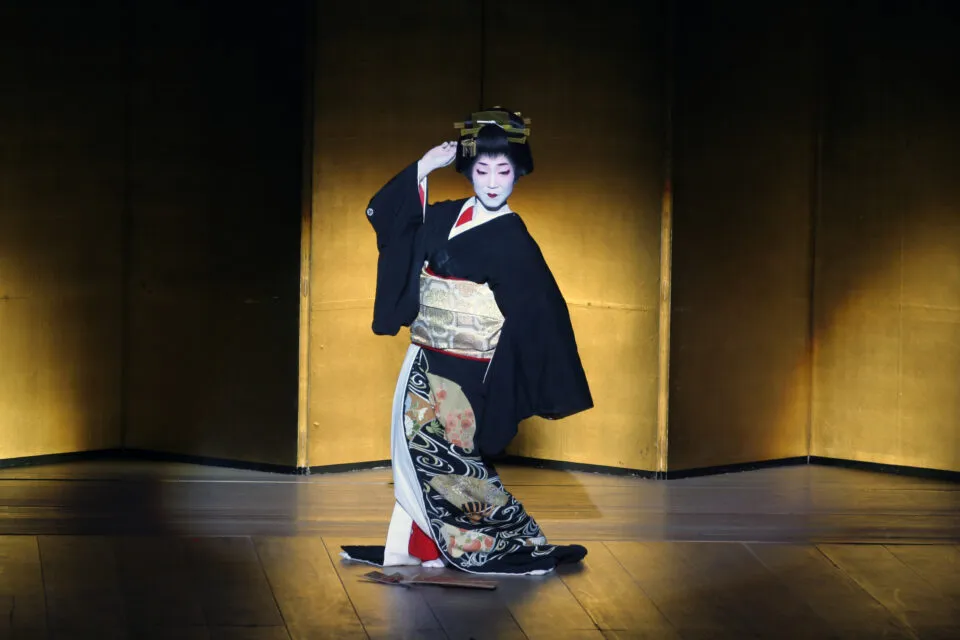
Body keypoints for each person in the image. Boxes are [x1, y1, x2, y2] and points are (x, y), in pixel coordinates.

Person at [341, 108, 593, 575]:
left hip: (470, 369)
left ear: (519, 173)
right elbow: (396, 225)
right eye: (482, 170)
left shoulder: (515, 240)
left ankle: (494, 538)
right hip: (423, 358)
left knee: (454, 464)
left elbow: (538, 317)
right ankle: (424, 545)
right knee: (418, 458)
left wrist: (502, 374)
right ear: (468, 171)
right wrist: (424, 166)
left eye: (503, 171)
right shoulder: (447, 215)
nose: (493, 182)